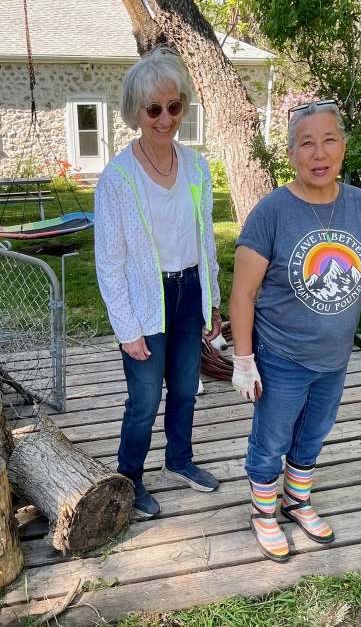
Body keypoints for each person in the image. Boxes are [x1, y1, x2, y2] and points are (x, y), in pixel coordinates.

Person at [229, 100, 361, 562]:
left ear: (342, 146)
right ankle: (263, 512)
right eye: (306, 143)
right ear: (291, 154)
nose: (318, 153)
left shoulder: (359, 204)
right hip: (282, 355)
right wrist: (244, 361)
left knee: (315, 433)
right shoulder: (272, 212)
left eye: (329, 140)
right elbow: (242, 295)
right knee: (272, 436)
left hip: (335, 357)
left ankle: (296, 500)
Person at [94, 47, 223, 519]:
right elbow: (109, 263)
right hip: (148, 300)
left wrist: (211, 300)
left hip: (189, 291)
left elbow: (205, 238)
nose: (165, 119)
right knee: (145, 398)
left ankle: (179, 460)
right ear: (135, 112)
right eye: (154, 109)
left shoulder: (196, 168)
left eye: (174, 107)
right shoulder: (117, 179)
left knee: (186, 388)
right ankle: (130, 477)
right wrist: (126, 328)